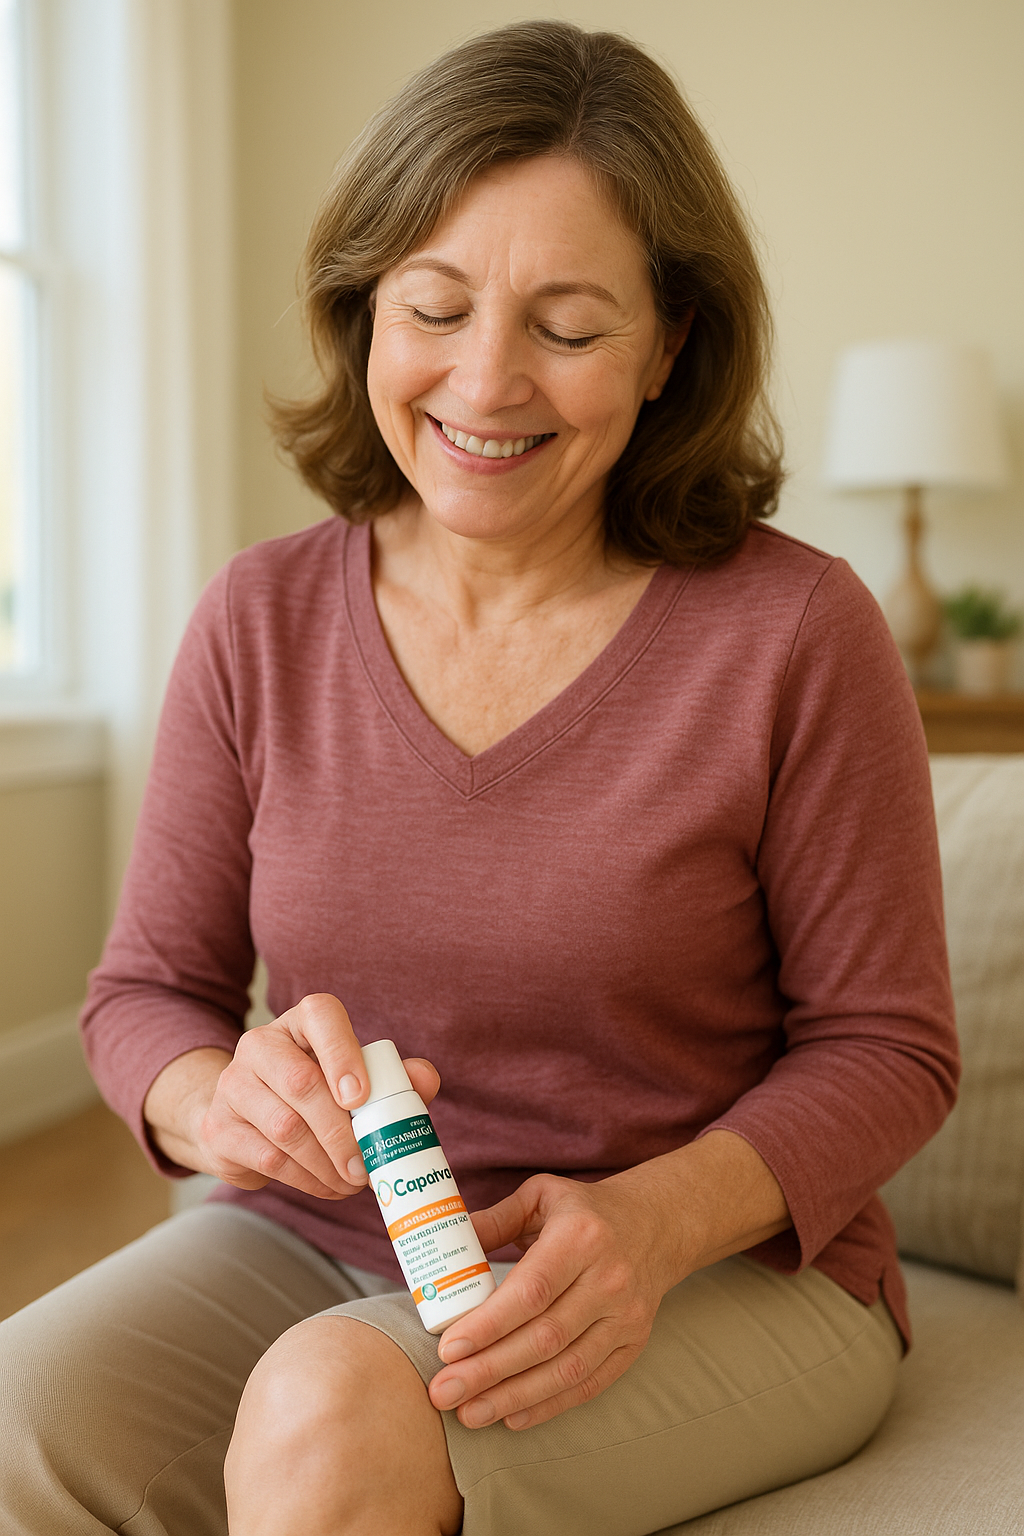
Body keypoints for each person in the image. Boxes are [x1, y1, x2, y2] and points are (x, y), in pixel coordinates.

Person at [0, 20, 958, 1536]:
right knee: (20, 1414)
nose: (484, 382)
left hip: (714, 1275)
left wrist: (651, 1224)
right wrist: (214, 1103)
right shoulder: (259, 616)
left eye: (569, 328)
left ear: (671, 348)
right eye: (432, 307)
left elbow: (892, 1050)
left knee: (330, 1415)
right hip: (319, 1241)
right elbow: (145, 1001)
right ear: (365, 314)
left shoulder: (796, 630)